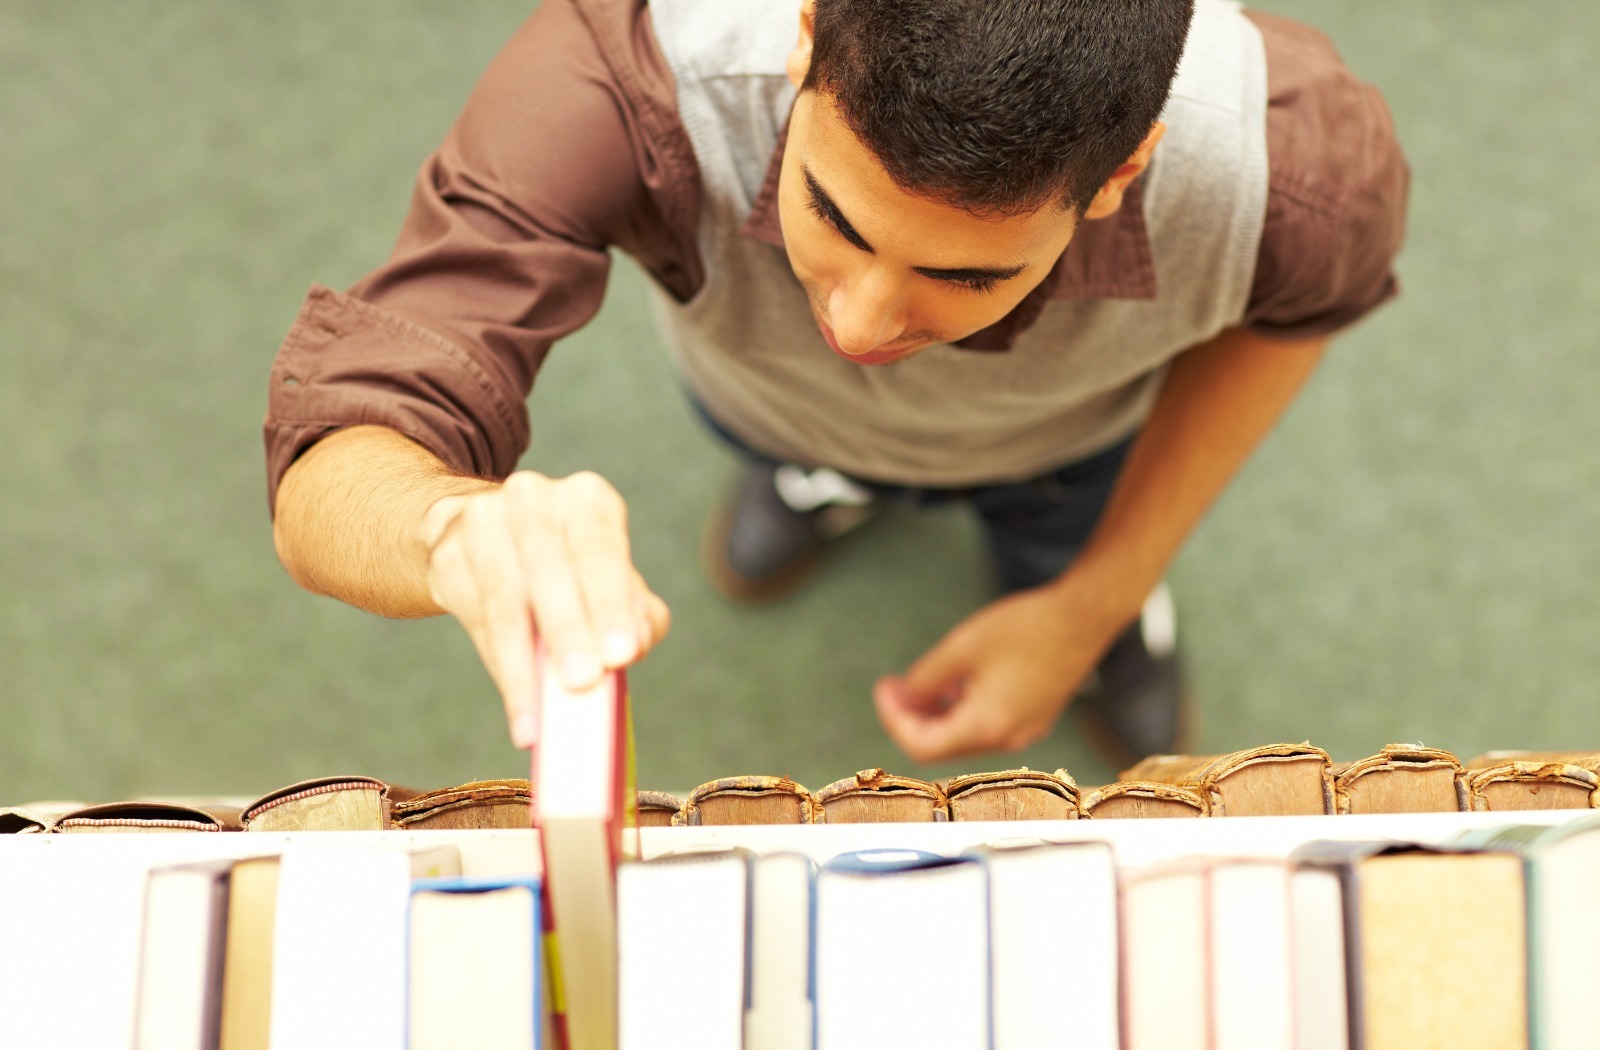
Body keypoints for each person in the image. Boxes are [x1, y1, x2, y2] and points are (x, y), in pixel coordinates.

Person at [265, 0, 1407, 767]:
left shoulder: (1299, 177)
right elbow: (348, 439)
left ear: (1120, 172)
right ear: (806, 40)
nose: (859, 325)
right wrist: (445, 527)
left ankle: (1092, 613)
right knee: (786, 446)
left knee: (1062, 533)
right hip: (764, 408)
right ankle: (822, 482)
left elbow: (1295, 321)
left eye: (965, 271)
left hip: (1070, 452)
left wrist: (1092, 602)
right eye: (831, 212)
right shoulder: (619, 75)